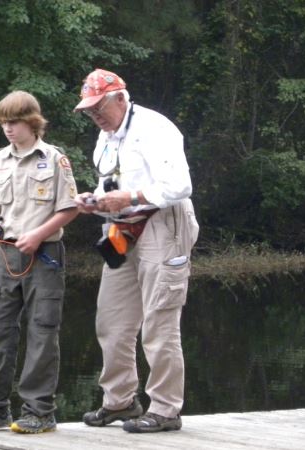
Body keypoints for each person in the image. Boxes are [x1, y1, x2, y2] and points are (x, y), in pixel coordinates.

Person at [73, 69, 199, 433]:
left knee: (160, 321)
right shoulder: (105, 136)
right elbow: (110, 182)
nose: (94, 116)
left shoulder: (155, 129)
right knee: (111, 321)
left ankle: (165, 409)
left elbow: (179, 185)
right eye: (88, 111)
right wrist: (96, 201)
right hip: (122, 228)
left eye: (98, 107)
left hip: (164, 223)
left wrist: (128, 197)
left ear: (120, 98)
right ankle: (121, 402)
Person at [0, 90, 79, 434]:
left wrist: (39, 234)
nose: (8, 129)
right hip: (5, 254)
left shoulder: (55, 159)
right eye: (3, 123)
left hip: (45, 256)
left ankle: (39, 412)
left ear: (32, 122)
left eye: (14, 122)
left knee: (42, 330)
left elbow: (70, 207)